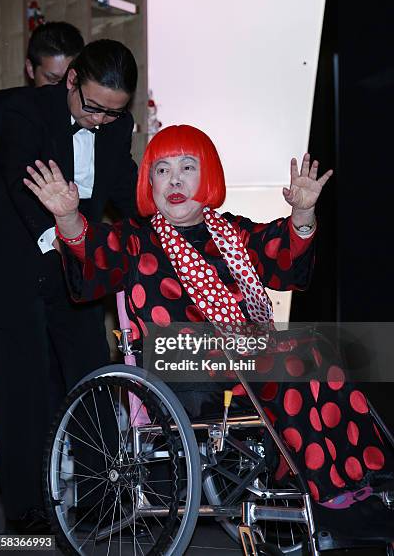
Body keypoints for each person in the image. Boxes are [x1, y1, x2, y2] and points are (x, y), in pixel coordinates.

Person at [24, 124, 394, 539]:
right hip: (179, 364)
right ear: (149, 183)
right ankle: (328, 496)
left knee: (316, 346)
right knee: (288, 357)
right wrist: (68, 216)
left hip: (246, 358)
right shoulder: (135, 239)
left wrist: (303, 214)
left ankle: (359, 481)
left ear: (209, 176)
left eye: (187, 166)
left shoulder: (233, 233)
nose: (175, 180)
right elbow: (93, 256)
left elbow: (284, 259)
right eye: (162, 170)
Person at [0, 39, 138, 531]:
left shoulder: (117, 126)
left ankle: (101, 498)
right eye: (93, 107)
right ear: (71, 80)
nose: (99, 121)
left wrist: (174, 226)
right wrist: (67, 240)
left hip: (76, 264)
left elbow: (126, 192)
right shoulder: (26, 113)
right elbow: (21, 186)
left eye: (113, 114)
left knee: (93, 375)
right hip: (15, 265)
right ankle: (26, 515)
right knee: (23, 391)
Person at [25, 21, 84, 87]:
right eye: (53, 80)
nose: (64, 88)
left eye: (72, 80)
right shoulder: (14, 96)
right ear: (30, 69)